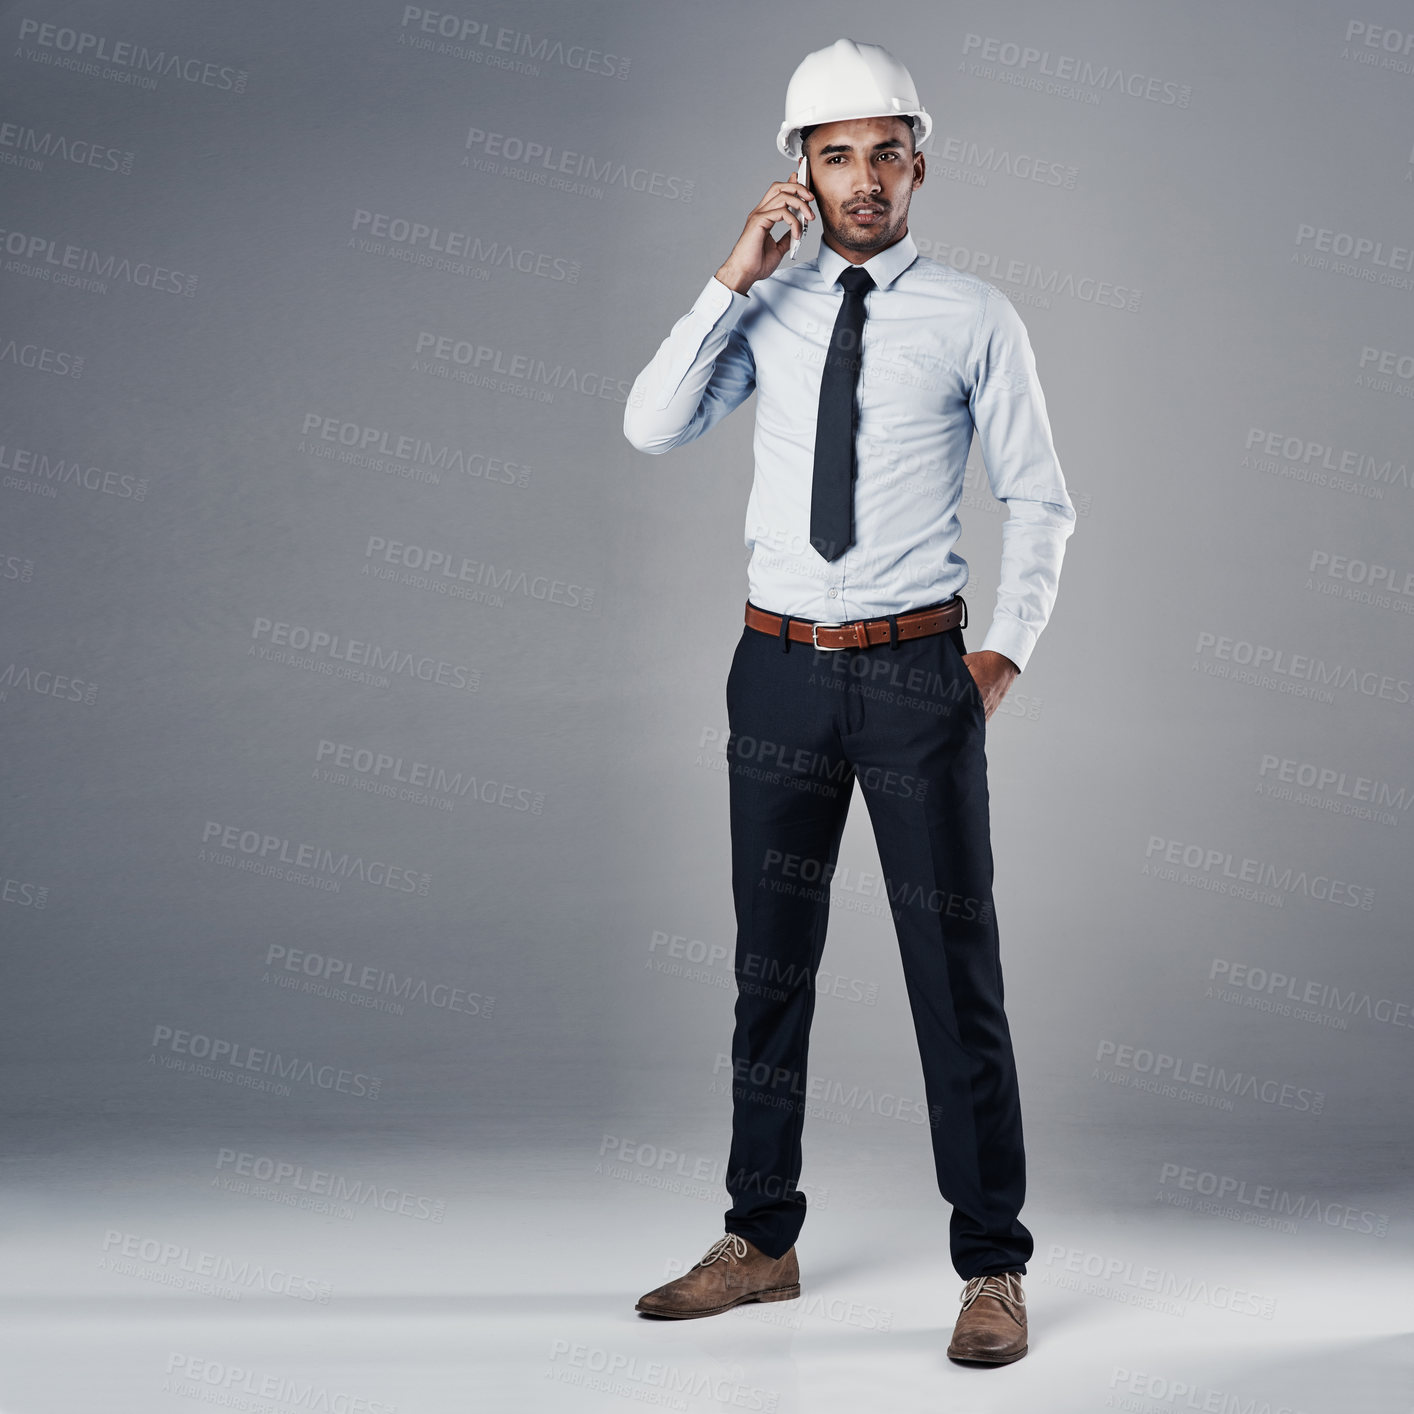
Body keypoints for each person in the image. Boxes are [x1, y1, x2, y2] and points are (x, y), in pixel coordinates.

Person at [621, 37, 1075, 1367]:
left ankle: (991, 1262)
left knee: (955, 975)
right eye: (835, 156)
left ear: (916, 164)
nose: (863, 179)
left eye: (885, 153)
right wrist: (728, 276)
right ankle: (759, 1237)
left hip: (911, 674)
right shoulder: (763, 306)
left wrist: (1003, 651)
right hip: (773, 669)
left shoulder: (975, 314)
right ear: (796, 173)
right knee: (769, 968)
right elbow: (651, 425)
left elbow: (1039, 495)